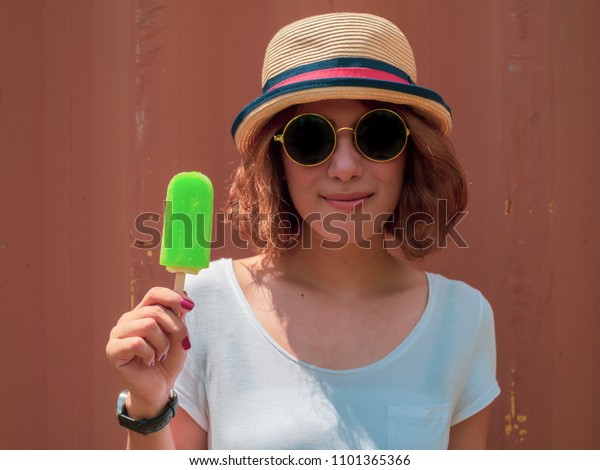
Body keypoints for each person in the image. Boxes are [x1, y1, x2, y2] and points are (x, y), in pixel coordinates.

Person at [106, 12, 500, 450]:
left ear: (414, 152)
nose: (346, 169)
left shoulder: (463, 319)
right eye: (310, 138)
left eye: (379, 134)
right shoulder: (202, 306)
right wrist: (148, 403)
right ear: (277, 162)